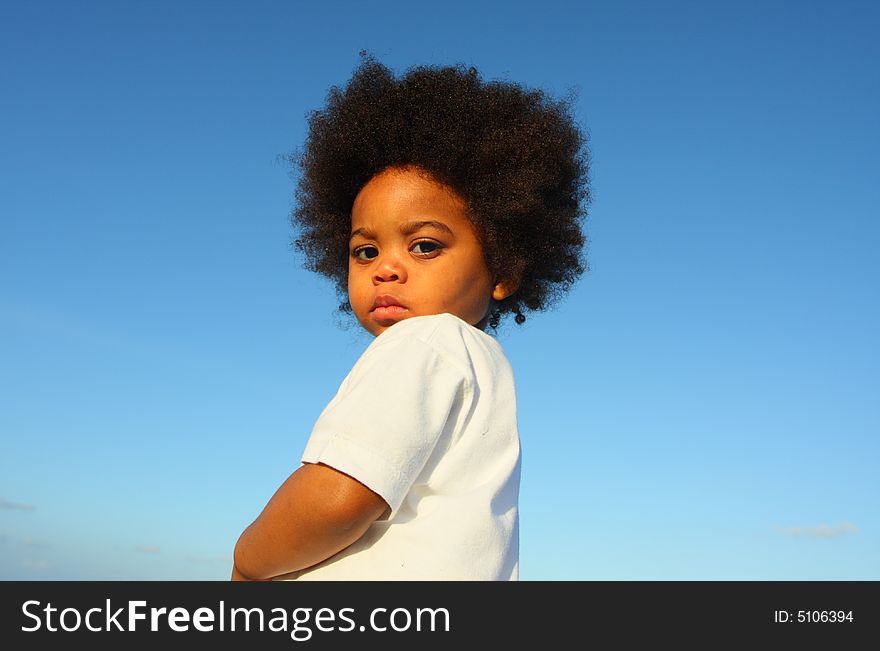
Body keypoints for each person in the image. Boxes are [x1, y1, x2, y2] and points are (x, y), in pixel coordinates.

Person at [232, 53, 590, 580]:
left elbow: (337, 496)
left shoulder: (425, 342)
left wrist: (247, 564)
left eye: (423, 246)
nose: (386, 269)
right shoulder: (480, 365)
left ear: (503, 266)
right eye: (364, 251)